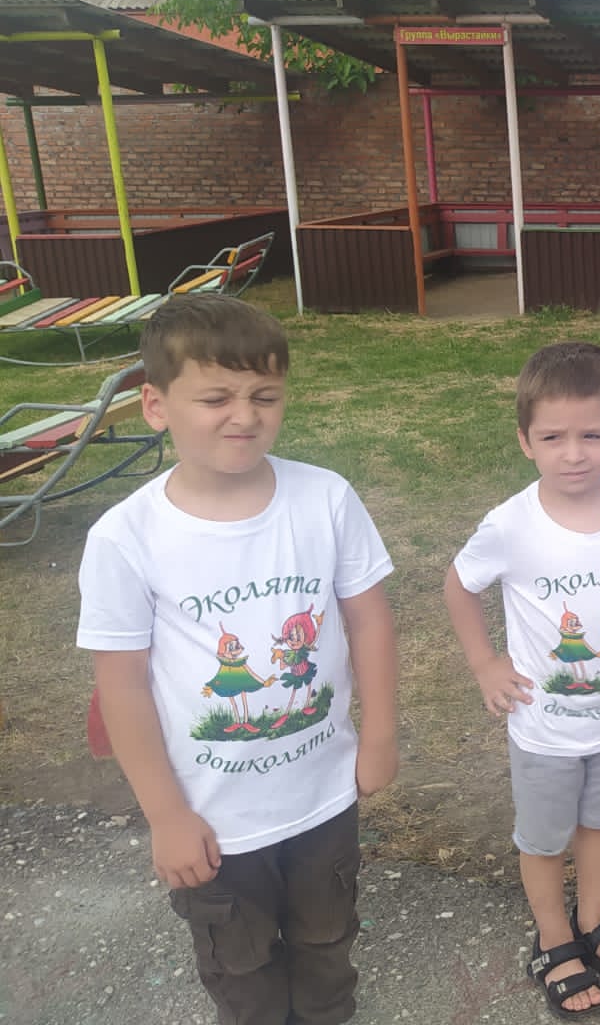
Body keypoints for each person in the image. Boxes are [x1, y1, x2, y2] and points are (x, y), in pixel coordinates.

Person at [77, 295, 399, 1025]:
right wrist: (166, 815)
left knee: (328, 942)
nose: (244, 416)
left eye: (265, 396)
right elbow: (122, 687)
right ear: (156, 406)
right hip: (213, 819)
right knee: (241, 969)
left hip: (323, 794)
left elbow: (369, 620)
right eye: (215, 397)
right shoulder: (125, 538)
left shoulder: (325, 499)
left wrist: (379, 736)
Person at [445, 341, 600, 1018]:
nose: (574, 453)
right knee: (544, 838)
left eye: (592, 435)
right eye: (553, 437)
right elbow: (459, 585)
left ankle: (594, 919)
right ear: (525, 441)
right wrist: (485, 663)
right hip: (545, 731)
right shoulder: (510, 523)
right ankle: (554, 937)